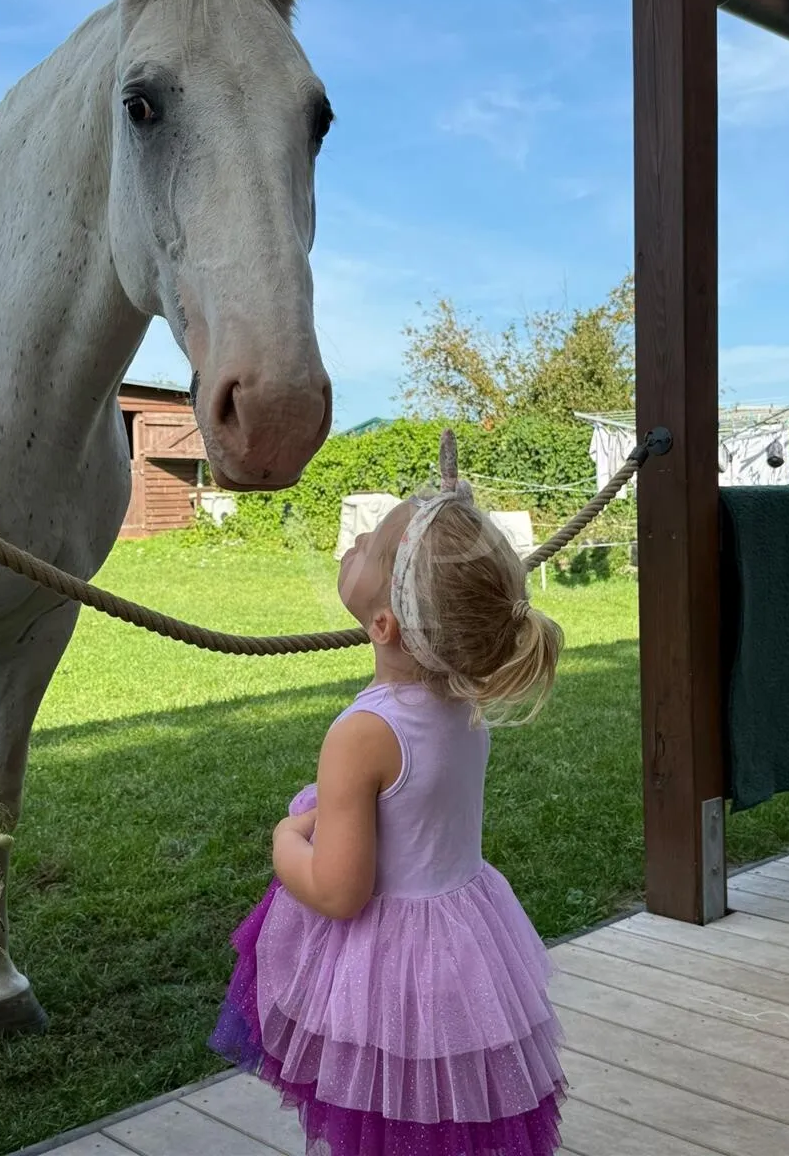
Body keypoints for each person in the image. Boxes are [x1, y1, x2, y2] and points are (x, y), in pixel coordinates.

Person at [210, 431, 567, 1155]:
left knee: (387, 1125)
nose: (358, 539)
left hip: (390, 975)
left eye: (371, 544)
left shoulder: (364, 733)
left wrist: (285, 841)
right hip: (463, 953)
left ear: (384, 624)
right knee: (444, 1121)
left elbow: (340, 892)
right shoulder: (463, 703)